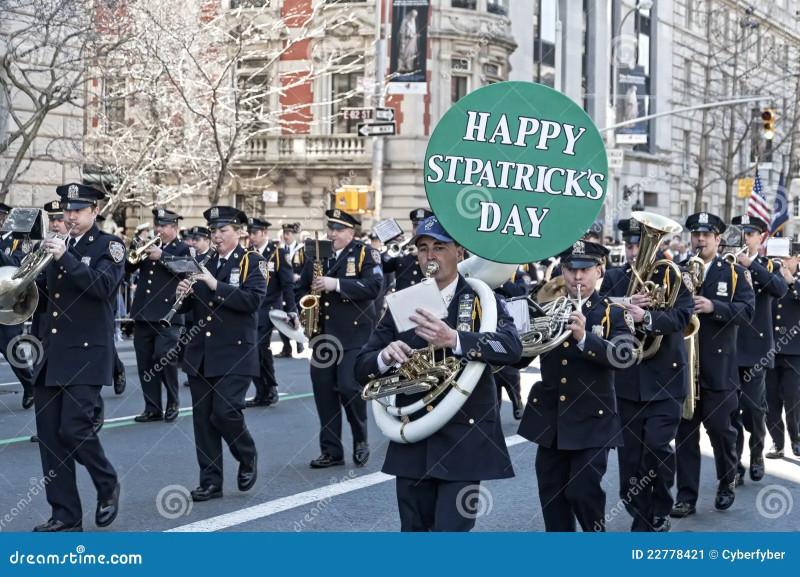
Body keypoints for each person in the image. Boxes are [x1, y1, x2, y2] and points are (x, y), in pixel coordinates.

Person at [354, 216, 521, 531]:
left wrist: (455, 339)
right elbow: (361, 369)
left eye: (439, 247)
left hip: (465, 440)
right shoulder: (407, 303)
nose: (429, 256)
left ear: (459, 253)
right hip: (414, 440)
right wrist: (383, 357)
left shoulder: (483, 299)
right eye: (423, 248)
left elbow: (511, 348)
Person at [517, 240, 635, 532]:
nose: (577, 277)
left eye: (584, 270)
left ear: (599, 271)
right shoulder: (544, 309)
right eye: (570, 269)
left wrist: (585, 338)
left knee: (584, 492)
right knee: (552, 497)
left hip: (593, 420)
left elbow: (624, 356)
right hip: (552, 420)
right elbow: (520, 357)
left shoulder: (614, 313)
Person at [31, 183, 123, 531]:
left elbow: (102, 288)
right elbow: (41, 297)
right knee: (51, 438)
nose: (69, 216)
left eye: (78, 210)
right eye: (67, 211)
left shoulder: (110, 246)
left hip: (86, 354)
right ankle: (66, 515)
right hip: (52, 354)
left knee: (75, 428)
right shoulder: (58, 246)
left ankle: (107, 482)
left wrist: (63, 258)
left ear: (94, 212)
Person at [600, 218, 694, 532]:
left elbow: (683, 316)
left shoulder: (673, 274)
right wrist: (624, 307)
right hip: (627, 382)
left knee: (657, 446)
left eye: (637, 245)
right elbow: (598, 314)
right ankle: (638, 511)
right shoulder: (614, 278)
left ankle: (660, 508)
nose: (632, 251)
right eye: (628, 245)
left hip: (665, 380)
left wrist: (649, 316)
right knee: (630, 460)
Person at [176, 206, 266, 501]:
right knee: (203, 420)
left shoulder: (253, 261)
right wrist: (184, 296)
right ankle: (211, 481)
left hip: (235, 351)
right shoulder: (202, 261)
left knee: (225, 412)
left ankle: (247, 455)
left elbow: (252, 301)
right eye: (213, 231)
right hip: (202, 352)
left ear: (239, 232)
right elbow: (194, 308)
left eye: (223, 230)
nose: (216, 236)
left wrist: (215, 284)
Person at [671, 212, 755, 518]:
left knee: (721, 430)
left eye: (706, 235)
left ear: (718, 240)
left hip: (719, 368)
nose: (700, 239)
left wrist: (713, 306)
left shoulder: (733, 273)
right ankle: (686, 497)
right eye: (696, 234)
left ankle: (726, 481)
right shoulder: (679, 271)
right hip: (683, 367)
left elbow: (747, 313)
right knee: (685, 437)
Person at [297, 209, 382, 468]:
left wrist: (337, 285)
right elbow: (300, 287)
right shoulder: (316, 253)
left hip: (354, 334)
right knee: (323, 393)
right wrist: (300, 309)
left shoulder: (366, 253)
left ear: (351, 233)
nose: (332, 234)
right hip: (323, 336)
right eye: (330, 228)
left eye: (339, 229)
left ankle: (360, 440)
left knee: (348, 387)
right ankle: (332, 451)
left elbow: (374, 286)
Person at [729, 215, 787, 485]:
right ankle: (735, 464)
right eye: (741, 233)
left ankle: (756, 454)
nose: (744, 238)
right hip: (728, 348)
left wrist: (751, 265)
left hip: (756, 349)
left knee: (753, 408)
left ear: (760, 237)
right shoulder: (725, 264)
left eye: (750, 233)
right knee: (731, 411)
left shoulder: (768, 265)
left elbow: (779, 289)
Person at [129, 208, 192, 423]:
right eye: (158, 225)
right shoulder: (150, 246)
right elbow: (128, 268)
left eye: (164, 226)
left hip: (169, 314)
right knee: (145, 363)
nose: (159, 229)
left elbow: (187, 270)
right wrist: (136, 250)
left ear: (175, 228)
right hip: (144, 313)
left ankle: (173, 400)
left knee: (163, 358)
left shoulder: (184, 248)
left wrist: (162, 256)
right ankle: (152, 408)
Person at [245, 217, 299, 408]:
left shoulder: (278, 254)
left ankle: (271, 387)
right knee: (251, 351)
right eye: (250, 233)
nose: (251, 237)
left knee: (260, 348)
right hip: (250, 310)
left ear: (264, 233)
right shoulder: (248, 254)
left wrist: (292, 310)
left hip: (269, 310)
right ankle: (261, 392)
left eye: (255, 233)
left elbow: (287, 285)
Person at [0, 202, 35, 410]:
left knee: (11, 349)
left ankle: (30, 385)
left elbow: (17, 267)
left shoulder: (20, 241)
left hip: (9, 304)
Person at [766, 246, 800, 459]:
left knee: (792, 395)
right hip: (769, 350)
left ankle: (796, 439)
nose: (782, 262)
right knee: (771, 399)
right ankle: (777, 443)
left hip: (795, 350)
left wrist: (791, 281)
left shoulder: (795, 281)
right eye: (777, 258)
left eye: (786, 257)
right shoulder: (768, 279)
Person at [381, 209, 433, 293]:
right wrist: (389, 249)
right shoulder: (404, 248)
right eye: (415, 226)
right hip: (402, 300)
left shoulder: (436, 249)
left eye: (421, 226)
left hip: (425, 299)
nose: (417, 230)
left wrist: (421, 253)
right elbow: (383, 267)